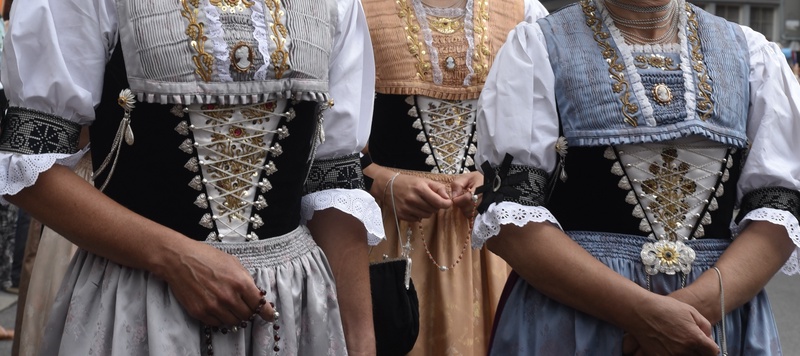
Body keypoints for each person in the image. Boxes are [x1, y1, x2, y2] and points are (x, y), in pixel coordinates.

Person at [0, 0, 383, 355]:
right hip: (141, 298)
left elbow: (334, 180)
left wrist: (360, 339)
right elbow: (29, 164)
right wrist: (171, 257)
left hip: (294, 309)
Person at [473, 0, 800, 354]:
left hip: (716, 321)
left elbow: (779, 210)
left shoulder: (751, 54)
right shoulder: (538, 47)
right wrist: (643, 315)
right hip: (577, 320)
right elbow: (509, 223)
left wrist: (689, 312)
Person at [360, 0, 547, 354]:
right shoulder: (357, 10)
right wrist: (380, 181)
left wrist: (496, 183)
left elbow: (543, 139)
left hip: (492, 237)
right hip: (390, 233)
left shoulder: (523, 12)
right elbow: (322, 135)